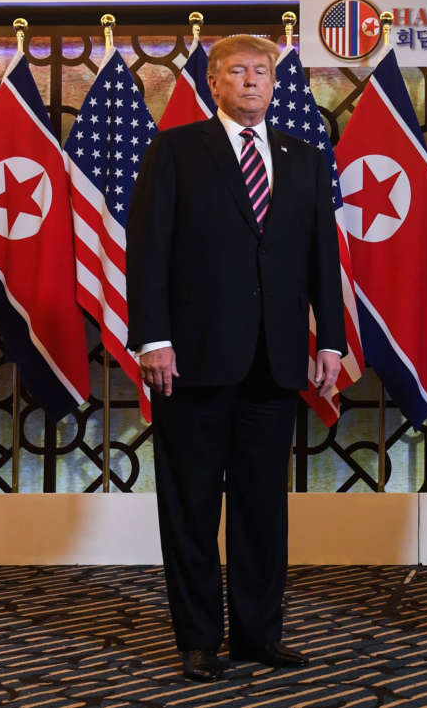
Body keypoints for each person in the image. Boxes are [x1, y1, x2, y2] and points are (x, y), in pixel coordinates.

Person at [126, 34, 345, 681]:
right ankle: (198, 638)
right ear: (214, 82)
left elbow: (321, 258)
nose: (252, 82)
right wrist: (151, 337)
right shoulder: (176, 149)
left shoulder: (304, 157)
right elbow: (147, 249)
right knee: (191, 504)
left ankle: (258, 633)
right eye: (237, 72)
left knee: (261, 507)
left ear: (275, 84)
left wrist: (328, 337)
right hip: (189, 357)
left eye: (262, 72)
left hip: (275, 361)